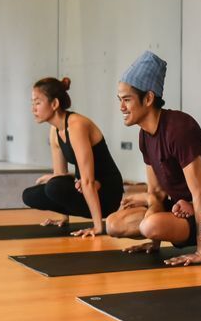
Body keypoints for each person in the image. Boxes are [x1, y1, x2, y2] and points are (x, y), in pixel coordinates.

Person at [106, 51, 201, 265]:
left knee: (149, 225)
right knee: (113, 224)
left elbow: (200, 193)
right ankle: (154, 231)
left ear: (148, 98)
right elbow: (155, 192)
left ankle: (195, 239)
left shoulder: (179, 128)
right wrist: (154, 241)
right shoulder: (144, 136)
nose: (121, 108)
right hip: (176, 207)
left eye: (127, 100)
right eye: (120, 100)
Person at [21, 77, 124, 237]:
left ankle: (97, 222)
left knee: (53, 186)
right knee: (29, 195)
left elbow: (88, 181)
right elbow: (60, 175)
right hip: (84, 186)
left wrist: (98, 228)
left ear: (54, 104)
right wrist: (64, 218)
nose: (33, 109)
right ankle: (68, 216)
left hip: (107, 192)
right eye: (32, 103)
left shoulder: (77, 126)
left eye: (38, 103)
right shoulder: (55, 130)